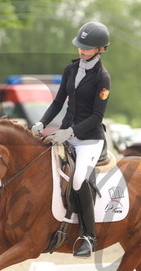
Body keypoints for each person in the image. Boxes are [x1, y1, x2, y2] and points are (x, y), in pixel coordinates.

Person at [31, 21, 111, 258]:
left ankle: (89, 236)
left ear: (100, 49)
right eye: (80, 46)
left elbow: (97, 116)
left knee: (78, 179)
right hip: (66, 134)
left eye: (87, 47)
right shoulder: (71, 69)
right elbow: (58, 102)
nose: (81, 50)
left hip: (89, 140)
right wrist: (42, 122)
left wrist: (70, 132)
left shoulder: (103, 78)